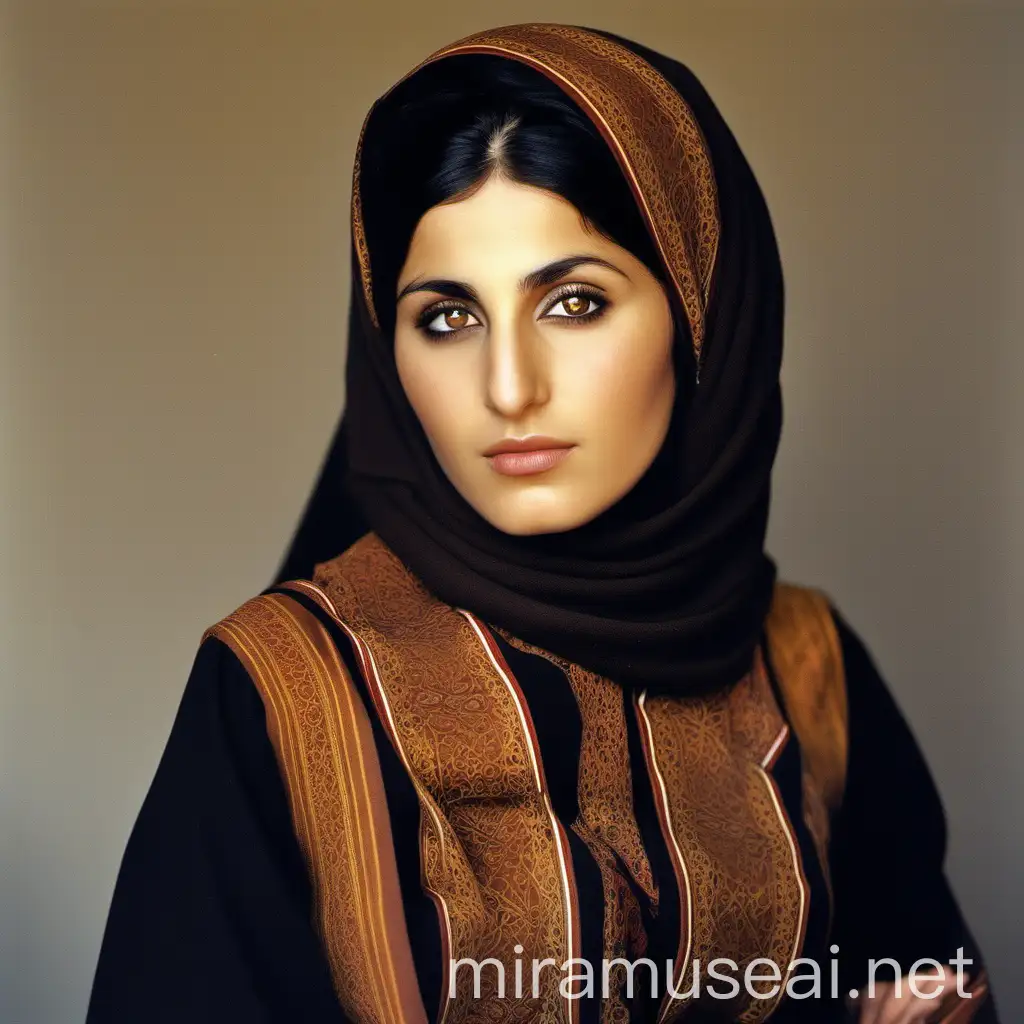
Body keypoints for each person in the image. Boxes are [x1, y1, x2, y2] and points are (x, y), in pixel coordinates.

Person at [86, 24, 997, 1024]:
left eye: (572, 302)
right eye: (446, 317)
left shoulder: (808, 670)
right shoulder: (282, 688)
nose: (507, 387)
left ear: (700, 314)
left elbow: (932, 991)